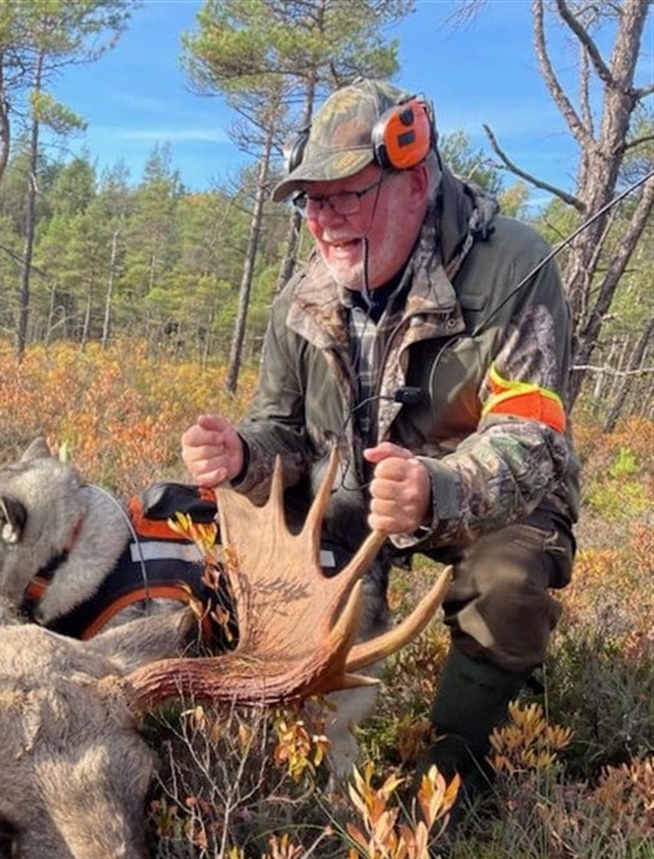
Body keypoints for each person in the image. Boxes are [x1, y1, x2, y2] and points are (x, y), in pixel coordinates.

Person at [181, 78, 579, 818]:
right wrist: (241, 456)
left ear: (415, 181)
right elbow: (282, 433)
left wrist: (438, 488)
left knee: (507, 578)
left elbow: (533, 437)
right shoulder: (301, 299)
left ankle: (456, 776)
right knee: (230, 545)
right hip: (352, 504)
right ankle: (296, 749)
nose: (323, 220)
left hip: (482, 499)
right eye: (311, 201)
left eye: (345, 195)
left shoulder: (514, 266)